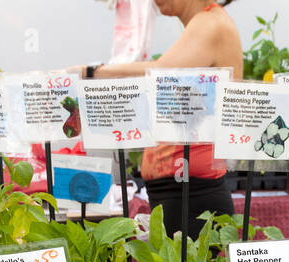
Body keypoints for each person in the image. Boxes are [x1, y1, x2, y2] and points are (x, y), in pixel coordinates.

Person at [82, 0, 244, 239]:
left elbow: (159, 71)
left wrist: (90, 71)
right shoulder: (204, 22)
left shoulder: (211, 22)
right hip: (181, 188)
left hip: (192, 191)